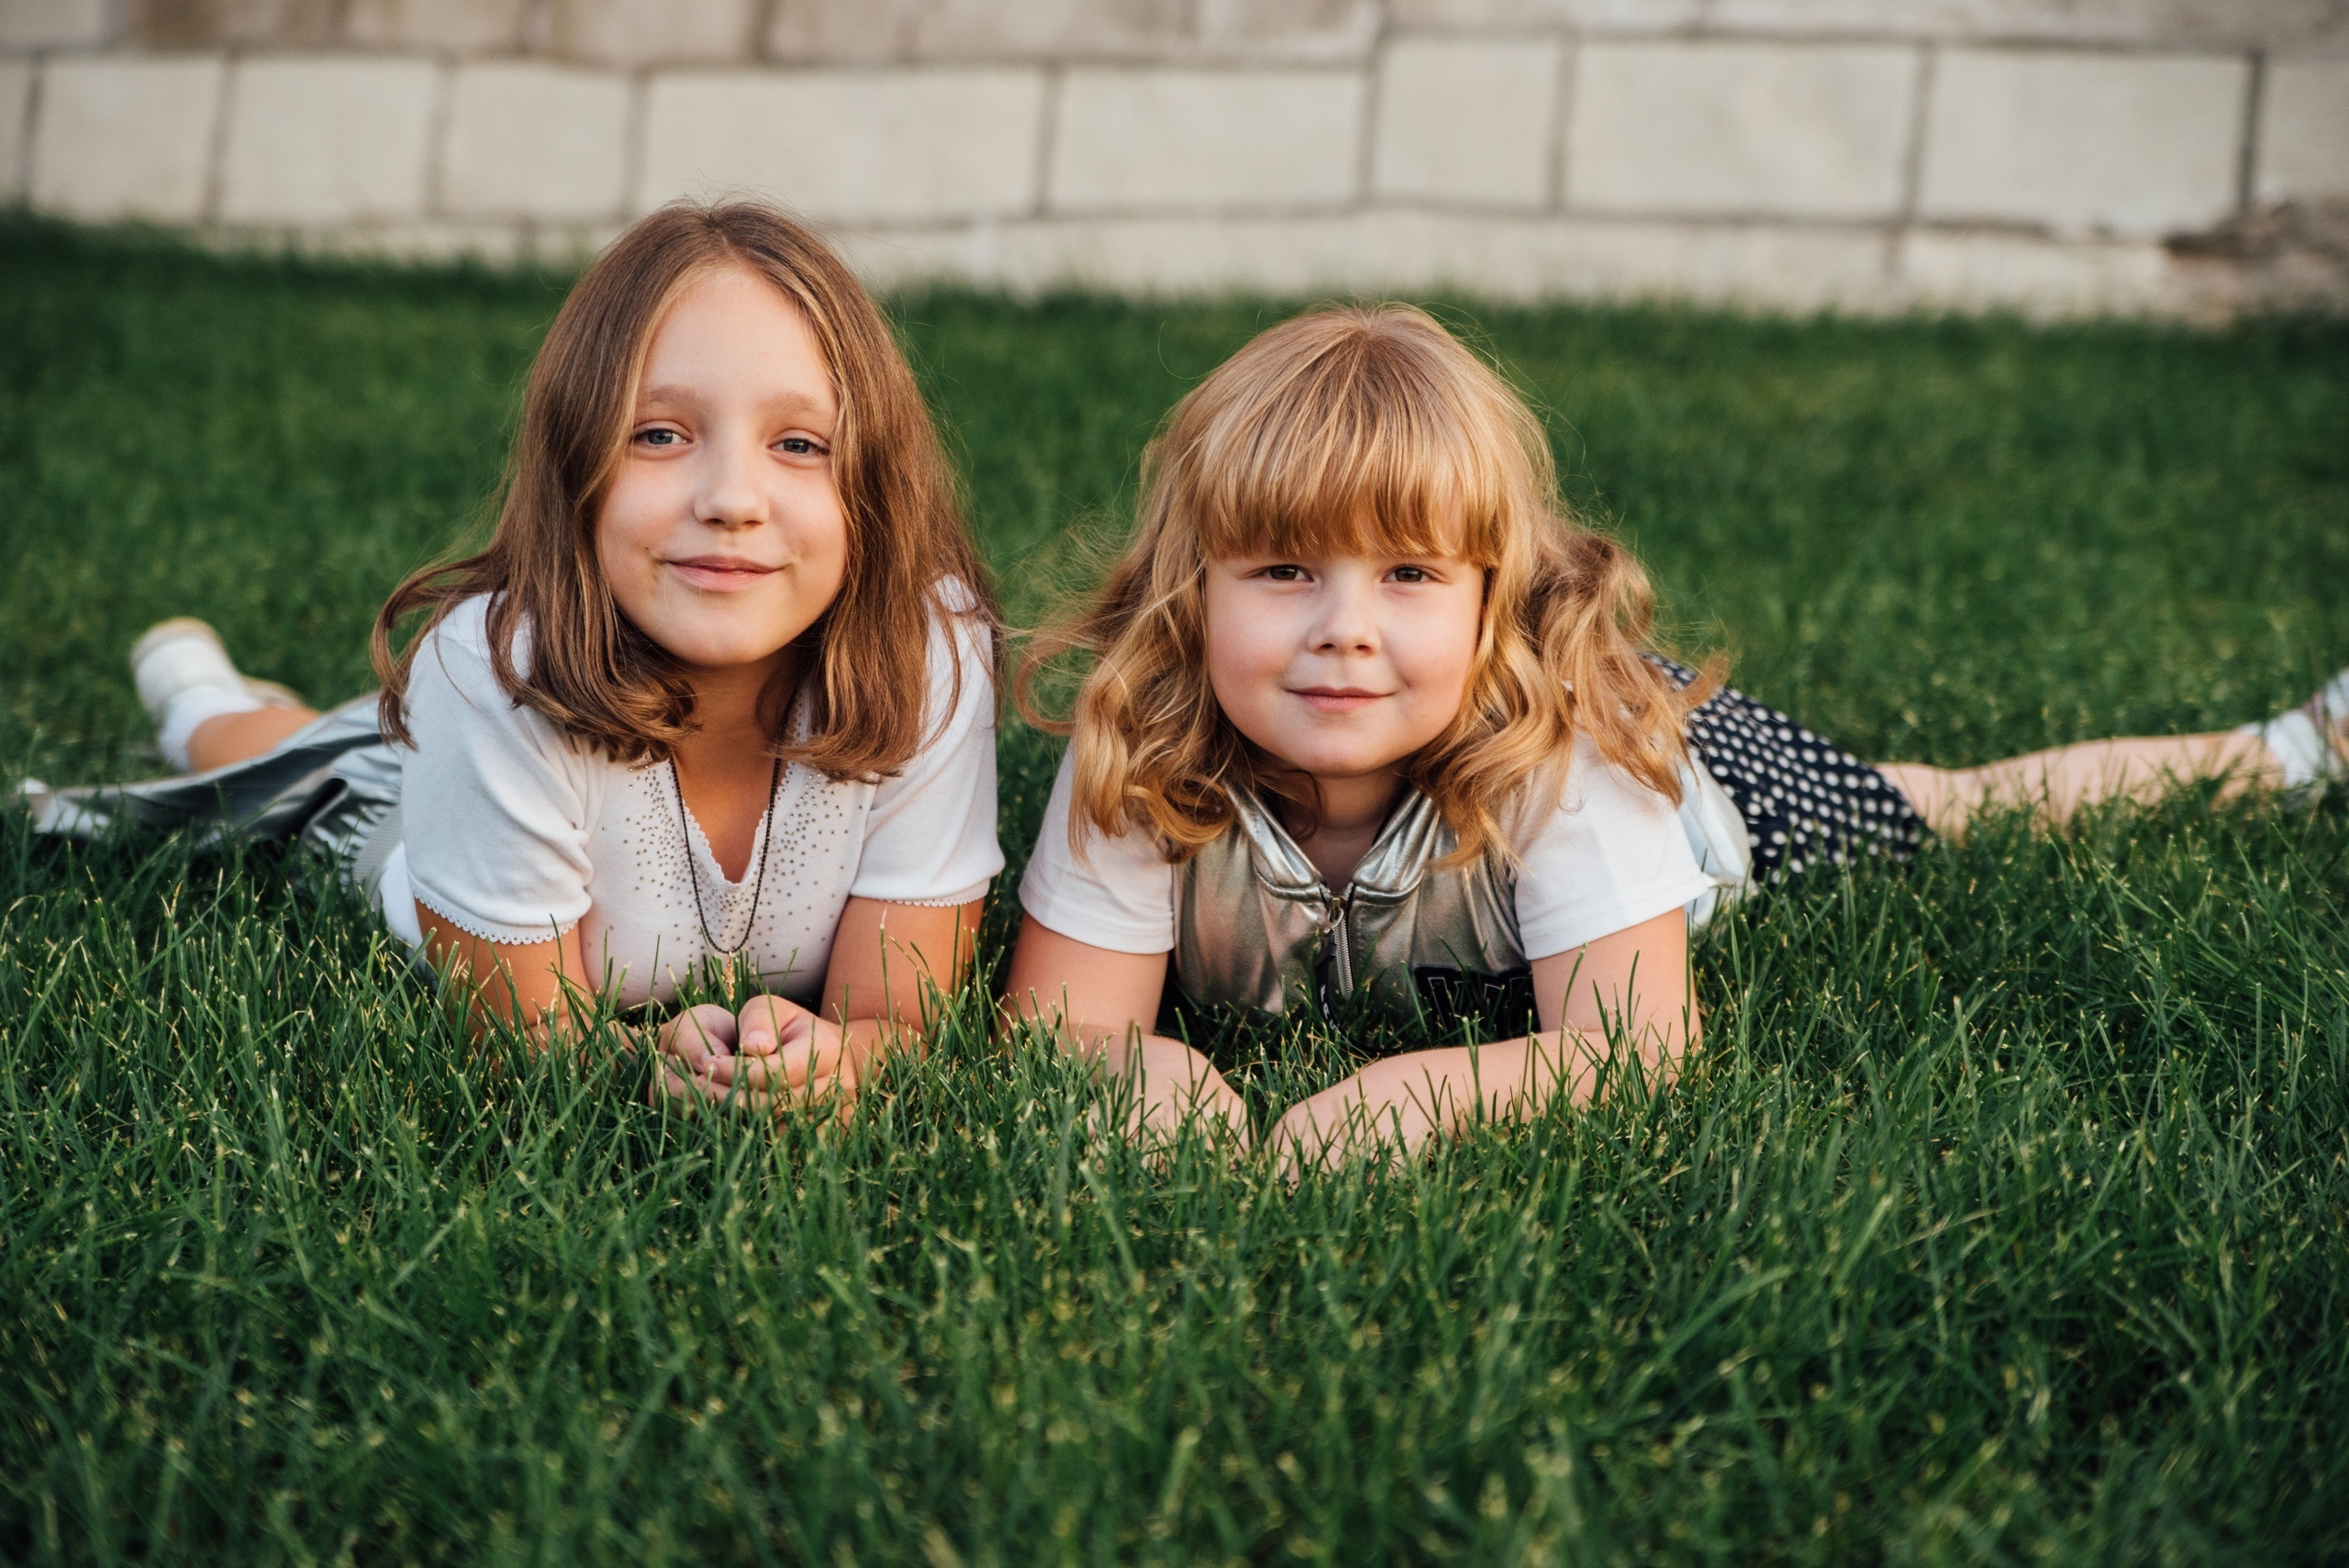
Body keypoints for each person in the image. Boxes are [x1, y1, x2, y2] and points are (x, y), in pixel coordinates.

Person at [1002, 304, 2346, 1171]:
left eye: (1410, 575)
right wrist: (1159, 1078)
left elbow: (1630, 1051)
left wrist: (1403, 1097)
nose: (1345, 628)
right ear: (1193, 593)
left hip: (1693, 793)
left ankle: (2289, 749)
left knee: (1945, 803)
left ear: (1495, 599)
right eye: (1285, 570)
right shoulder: (1147, 736)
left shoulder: (1562, 747)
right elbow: (1062, 1028)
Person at [24, 202, 1005, 1111]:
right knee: (302, 764)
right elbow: (528, 1045)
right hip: (421, 814)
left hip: (483, 761)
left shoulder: (931, 657)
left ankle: (233, 695)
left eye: (799, 443)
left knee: (347, 733)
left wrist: (841, 1059)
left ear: (872, 479)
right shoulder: (487, 680)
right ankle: (193, 688)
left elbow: (900, 1022)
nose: (731, 498)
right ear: (578, 460)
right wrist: (646, 1064)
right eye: (659, 433)